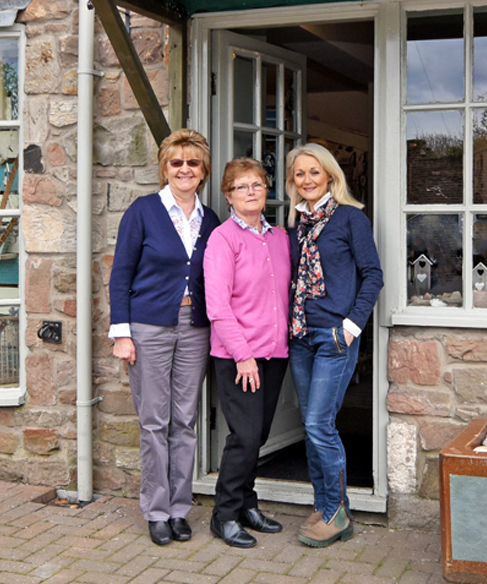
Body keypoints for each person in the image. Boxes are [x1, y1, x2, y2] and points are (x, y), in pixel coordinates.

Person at [109, 129, 221, 546]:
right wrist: (122, 333)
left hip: (195, 328)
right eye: (177, 163)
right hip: (149, 327)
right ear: (165, 168)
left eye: (193, 163)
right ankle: (156, 511)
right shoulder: (142, 212)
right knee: (154, 421)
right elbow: (120, 275)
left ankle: (179, 508)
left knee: (185, 421)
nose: (185, 170)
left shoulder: (210, 219)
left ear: (203, 169)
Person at [285, 143, 383, 548]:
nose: (307, 180)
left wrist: (351, 326)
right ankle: (325, 504)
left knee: (318, 425)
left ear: (330, 175)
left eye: (314, 172)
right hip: (301, 336)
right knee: (311, 427)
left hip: (333, 338)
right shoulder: (297, 224)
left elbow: (372, 275)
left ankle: (337, 513)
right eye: (299, 174)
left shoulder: (349, 218)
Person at [204, 158, 291, 548]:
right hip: (239, 356)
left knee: (260, 436)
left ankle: (246, 504)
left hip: (274, 353)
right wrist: (242, 354)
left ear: (266, 191)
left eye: (257, 184)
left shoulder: (279, 238)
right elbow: (218, 306)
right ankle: (223, 515)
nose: (251, 191)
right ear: (228, 195)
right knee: (245, 436)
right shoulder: (223, 239)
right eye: (242, 187)